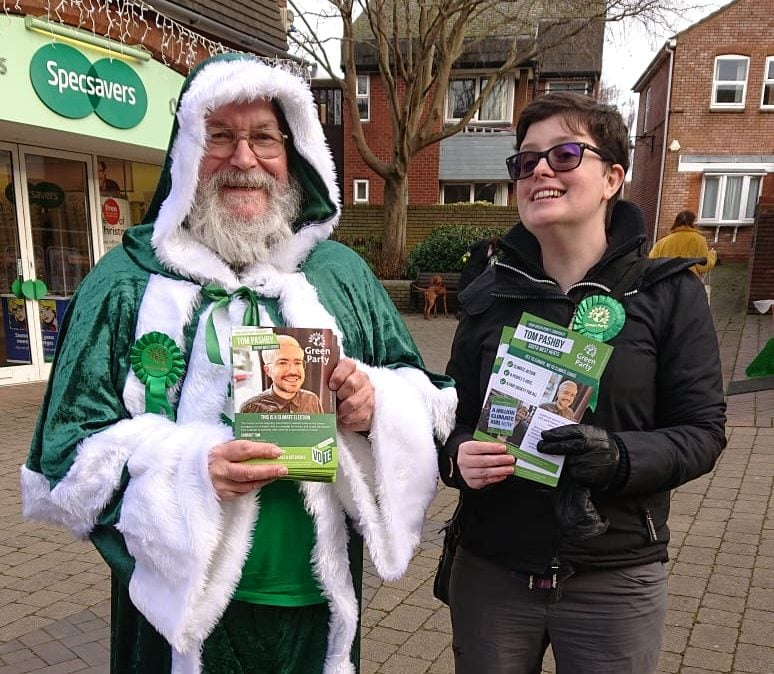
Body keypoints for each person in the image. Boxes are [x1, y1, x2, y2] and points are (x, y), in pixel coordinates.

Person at [21, 54, 456, 674]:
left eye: (263, 138)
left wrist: (374, 404)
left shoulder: (342, 276)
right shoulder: (123, 285)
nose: (243, 159)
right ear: (186, 152)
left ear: (295, 152)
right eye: (220, 136)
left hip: (313, 602)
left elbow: (425, 390)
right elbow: (62, 453)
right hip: (179, 613)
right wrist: (189, 471)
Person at [439, 92, 726, 674]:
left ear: (613, 177)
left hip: (613, 577)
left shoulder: (669, 294)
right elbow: (451, 416)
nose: (540, 169)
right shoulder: (489, 294)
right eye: (525, 161)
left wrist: (617, 456)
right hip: (493, 570)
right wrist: (456, 459)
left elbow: (702, 432)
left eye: (565, 154)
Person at [240, 334, 324, 413]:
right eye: (283, 363)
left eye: (298, 363)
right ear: (267, 370)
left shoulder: (312, 399)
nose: (293, 371)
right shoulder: (250, 408)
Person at [649, 210, 717, 277]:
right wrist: (712, 255)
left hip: (663, 282)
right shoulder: (699, 240)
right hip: (688, 283)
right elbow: (702, 266)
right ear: (692, 223)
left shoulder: (662, 242)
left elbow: (651, 263)